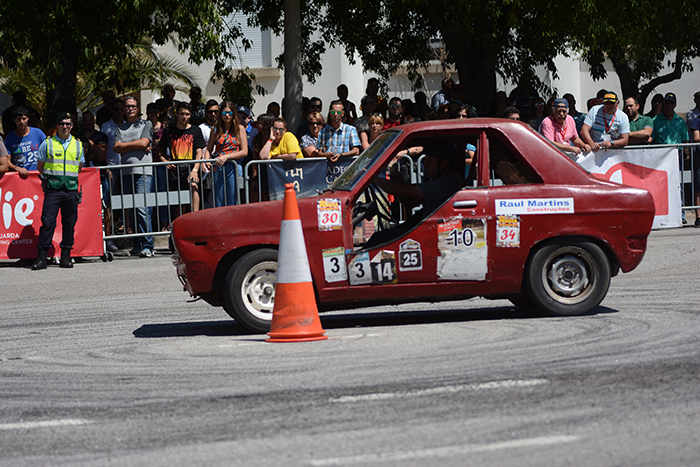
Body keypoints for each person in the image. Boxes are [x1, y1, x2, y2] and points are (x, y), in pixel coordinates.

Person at [364, 141, 464, 248]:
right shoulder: (440, 181)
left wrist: (370, 177)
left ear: (444, 163)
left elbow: (401, 190)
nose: (425, 165)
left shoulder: (447, 183)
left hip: (430, 238)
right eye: (425, 160)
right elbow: (411, 202)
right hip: (425, 233)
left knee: (382, 237)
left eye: (429, 161)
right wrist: (399, 184)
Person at [31, 112, 85, 270]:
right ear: (57, 126)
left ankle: (66, 257)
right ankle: (42, 258)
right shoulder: (47, 144)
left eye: (68, 123)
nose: (65, 126)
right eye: (62, 124)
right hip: (53, 190)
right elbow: (40, 167)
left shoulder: (78, 144)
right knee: (47, 223)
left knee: (69, 223)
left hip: (71, 189)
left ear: (72, 125)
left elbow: (79, 167)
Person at [113, 96, 155, 257]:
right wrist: (135, 144)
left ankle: (148, 245)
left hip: (143, 172)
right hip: (126, 172)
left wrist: (124, 146)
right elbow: (116, 147)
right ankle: (137, 245)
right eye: (127, 106)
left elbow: (144, 143)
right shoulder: (120, 128)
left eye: (133, 106)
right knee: (131, 211)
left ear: (138, 108)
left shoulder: (146, 124)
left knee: (142, 208)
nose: (130, 109)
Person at [159, 102, 206, 220]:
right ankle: (180, 220)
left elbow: (199, 152)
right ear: (177, 114)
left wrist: (195, 170)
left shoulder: (196, 130)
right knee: (178, 198)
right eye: (182, 114)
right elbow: (160, 148)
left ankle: (196, 217)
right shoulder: (169, 130)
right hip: (175, 170)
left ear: (190, 115)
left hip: (190, 168)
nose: (184, 117)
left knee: (194, 186)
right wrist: (164, 160)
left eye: (187, 114)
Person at [82, 111, 117, 252]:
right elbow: (83, 154)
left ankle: (108, 239)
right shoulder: (76, 136)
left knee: (105, 207)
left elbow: (102, 154)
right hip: (84, 177)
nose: (89, 122)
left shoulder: (101, 136)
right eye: (86, 120)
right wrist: (93, 149)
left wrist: (89, 142)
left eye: (91, 120)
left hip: (100, 175)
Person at [206, 101, 248, 207]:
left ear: (234, 113)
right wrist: (206, 161)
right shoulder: (215, 129)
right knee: (218, 198)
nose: (227, 116)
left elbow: (244, 151)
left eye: (229, 113)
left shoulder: (240, 128)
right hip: (219, 166)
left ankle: (234, 222)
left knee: (233, 198)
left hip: (234, 166)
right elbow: (208, 149)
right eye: (224, 113)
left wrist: (227, 156)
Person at [4, 106, 47, 179]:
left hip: (39, 176)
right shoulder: (9, 138)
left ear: (28, 119)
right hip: (20, 177)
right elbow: (7, 161)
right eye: (19, 119)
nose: (22, 122)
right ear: (14, 120)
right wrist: (17, 168)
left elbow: (48, 152)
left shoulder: (38, 133)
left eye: (24, 119)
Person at [689, 114, 700, 226]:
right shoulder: (697, 120)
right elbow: (696, 138)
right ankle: (699, 216)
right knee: (698, 186)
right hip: (699, 156)